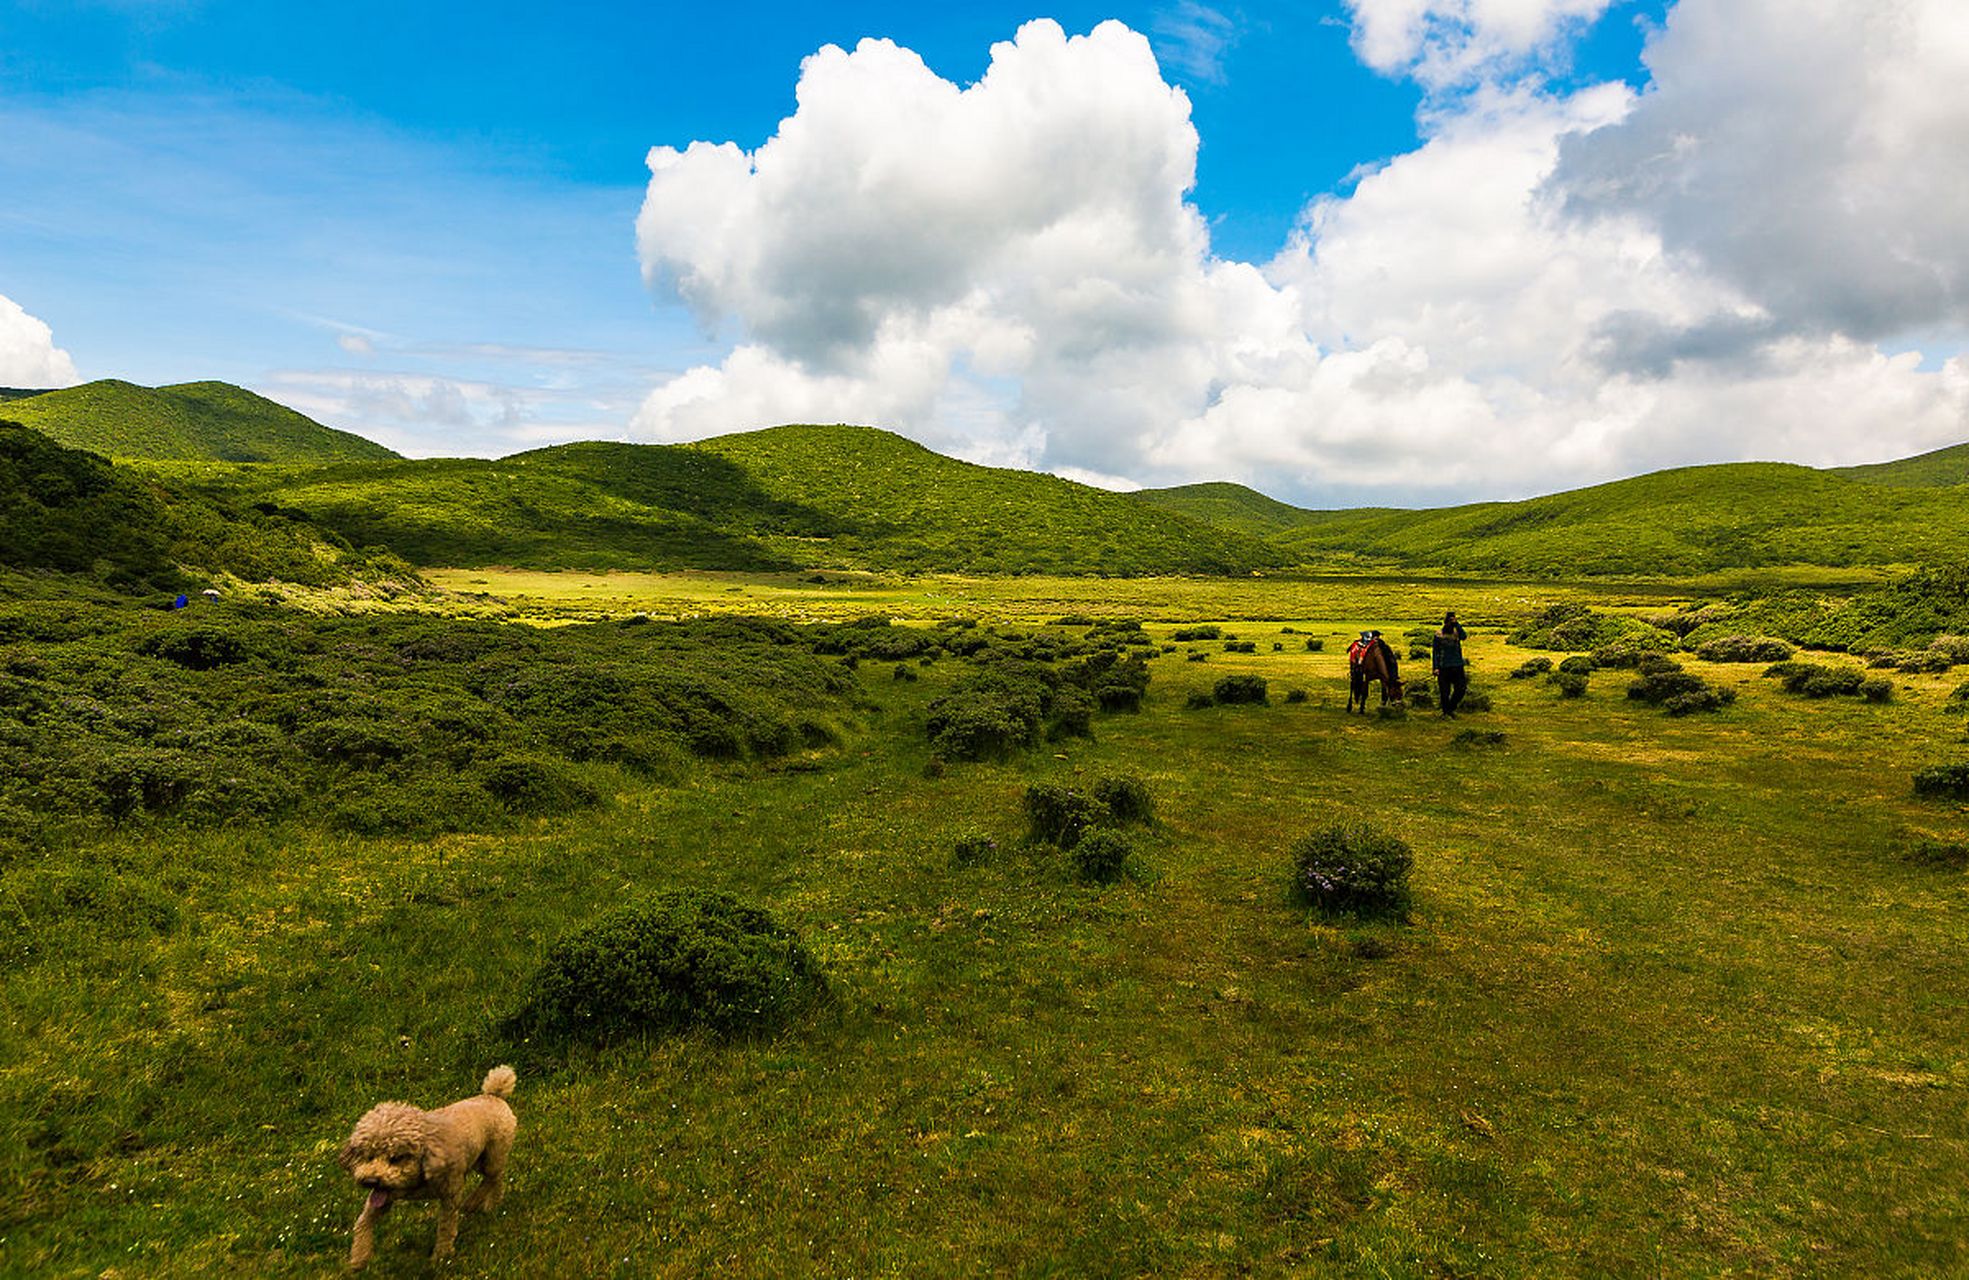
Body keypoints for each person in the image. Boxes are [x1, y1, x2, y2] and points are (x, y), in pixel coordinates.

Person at [1432, 611, 1470, 717]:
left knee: (1461, 689)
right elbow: (1435, 652)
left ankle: (1450, 708)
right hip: (1443, 667)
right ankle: (1446, 712)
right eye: (1449, 622)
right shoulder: (1438, 634)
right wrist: (1435, 667)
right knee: (1444, 692)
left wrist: (1457, 624)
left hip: (1457, 665)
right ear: (1445, 622)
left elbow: (1464, 636)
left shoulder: (1457, 631)